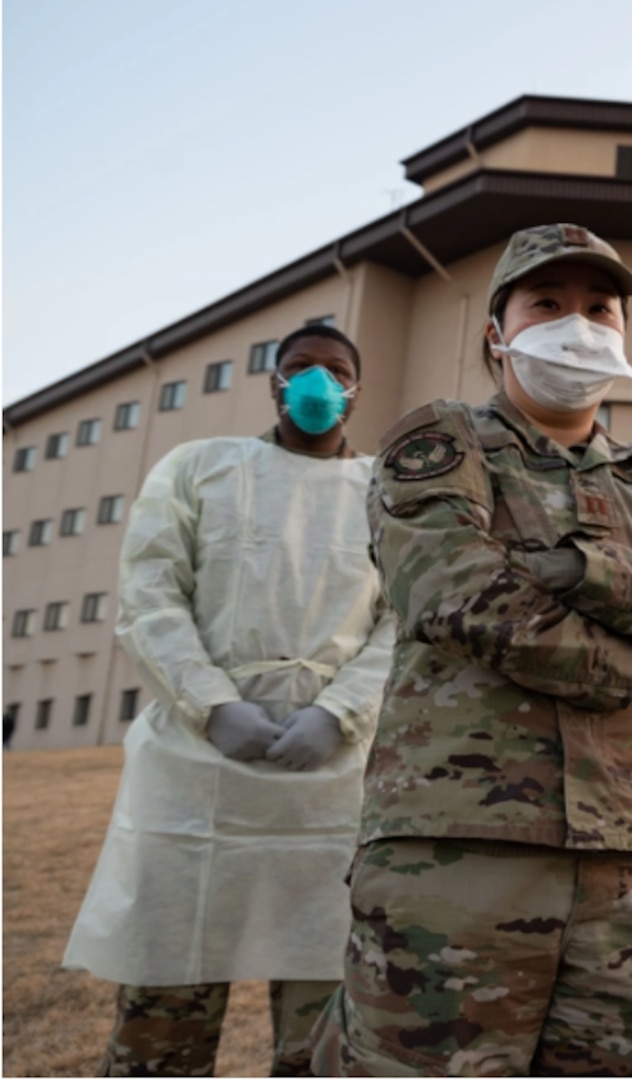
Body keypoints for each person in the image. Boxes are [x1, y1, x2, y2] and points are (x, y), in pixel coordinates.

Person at [310, 223, 632, 1077]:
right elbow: (454, 593)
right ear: (498, 333)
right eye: (548, 304)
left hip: (628, 864)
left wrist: (587, 570)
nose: (579, 324)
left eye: (599, 308)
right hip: (459, 851)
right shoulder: (443, 443)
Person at [64, 324, 395, 1077]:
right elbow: (150, 596)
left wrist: (337, 713)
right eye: (298, 368)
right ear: (274, 384)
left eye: (334, 369)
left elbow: (404, 623)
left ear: (357, 388)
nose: (316, 383)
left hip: (332, 788)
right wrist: (212, 704)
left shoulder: (386, 491)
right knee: (163, 1021)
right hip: (195, 775)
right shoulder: (200, 468)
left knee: (323, 1030)